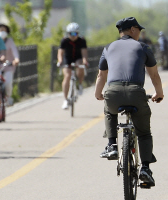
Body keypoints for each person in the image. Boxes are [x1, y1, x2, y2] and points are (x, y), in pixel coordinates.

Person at [95, 17, 164, 187]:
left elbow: (101, 75)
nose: (140, 33)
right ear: (133, 29)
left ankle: (111, 144)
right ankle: (146, 169)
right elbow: (154, 75)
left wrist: (98, 93)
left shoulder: (108, 47)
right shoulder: (143, 47)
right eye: (139, 30)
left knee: (109, 110)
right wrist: (159, 93)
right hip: (136, 92)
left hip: (113, 92)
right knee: (144, 133)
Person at [57, 22, 88, 110]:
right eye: (71, 34)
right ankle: (65, 99)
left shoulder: (82, 40)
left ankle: (80, 84)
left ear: (78, 33)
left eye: (75, 33)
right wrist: (60, 61)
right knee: (67, 76)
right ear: (68, 33)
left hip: (78, 58)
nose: (73, 36)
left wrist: (85, 61)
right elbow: (60, 52)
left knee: (80, 65)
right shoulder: (64, 40)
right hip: (67, 58)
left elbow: (84, 53)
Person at [0, 23, 20, 106]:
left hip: (8, 66)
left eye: (4, 30)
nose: (2, 32)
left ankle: (8, 97)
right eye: (1, 30)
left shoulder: (9, 41)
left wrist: (16, 59)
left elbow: (14, 51)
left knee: (8, 83)